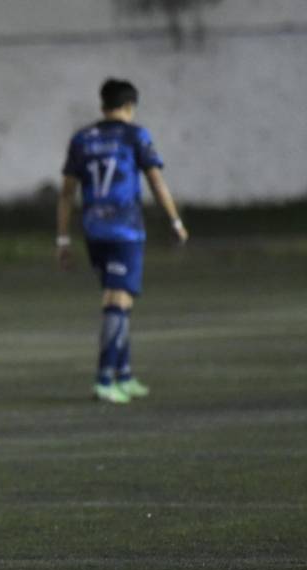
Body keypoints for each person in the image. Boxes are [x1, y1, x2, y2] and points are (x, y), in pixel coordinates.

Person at [56, 78, 188, 403]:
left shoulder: (82, 139)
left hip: (93, 230)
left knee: (119, 297)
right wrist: (175, 220)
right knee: (118, 299)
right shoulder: (135, 135)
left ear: (103, 106)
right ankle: (104, 379)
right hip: (124, 229)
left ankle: (124, 373)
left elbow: (66, 194)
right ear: (130, 107)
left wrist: (62, 239)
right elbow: (156, 181)